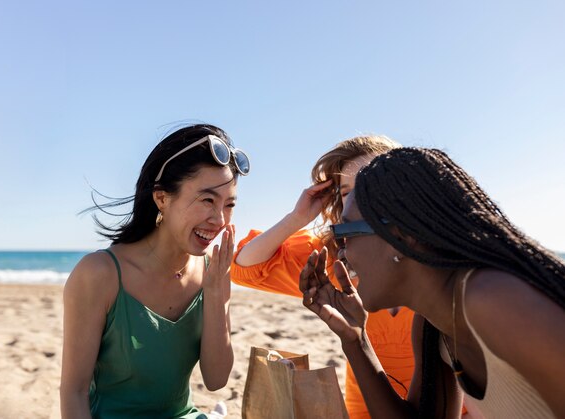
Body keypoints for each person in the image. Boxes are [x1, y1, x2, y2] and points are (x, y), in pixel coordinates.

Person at [300, 147, 565, 418]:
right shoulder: (435, 325)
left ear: (401, 237)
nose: (343, 252)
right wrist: (356, 340)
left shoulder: (495, 299)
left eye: (346, 232)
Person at [60, 124, 250, 418]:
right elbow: (74, 392)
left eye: (229, 205)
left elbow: (216, 379)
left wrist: (216, 294)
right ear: (162, 198)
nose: (219, 220)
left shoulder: (212, 270)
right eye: (208, 200)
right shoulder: (99, 274)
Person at [232, 135, 416, 418]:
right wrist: (297, 218)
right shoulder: (333, 259)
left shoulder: (432, 254)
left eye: (369, 184)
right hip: (365, 412)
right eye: (346, 192)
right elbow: (245, 268)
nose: (359, 199)